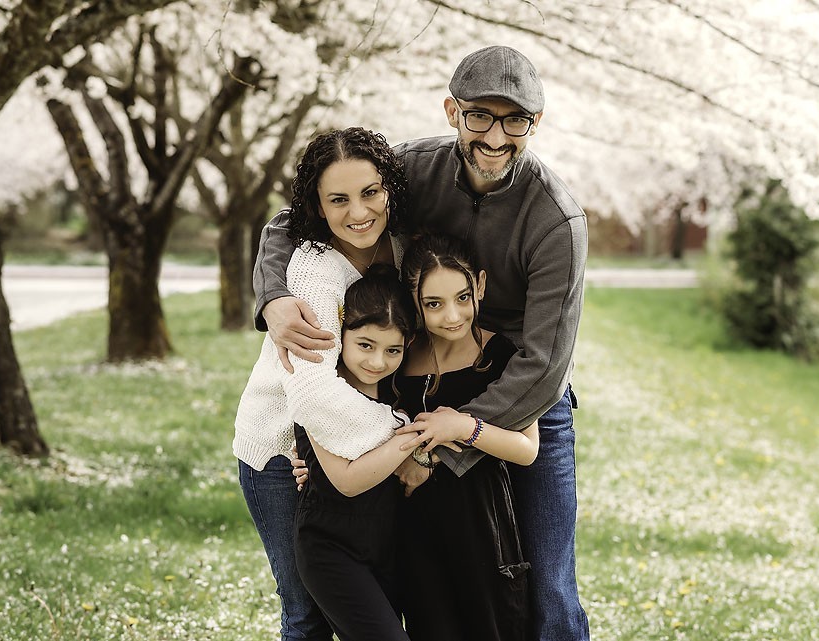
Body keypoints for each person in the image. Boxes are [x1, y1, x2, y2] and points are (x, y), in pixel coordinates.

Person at [254, 46, 591, 640]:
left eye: (516, 121)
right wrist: (273, 298)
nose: (495, 136)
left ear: (535, 125)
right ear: (451, 112)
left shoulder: (555, 219)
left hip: (520, 396)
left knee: (548, 586)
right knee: (427, 574)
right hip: (423, 380)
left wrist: (438, 449)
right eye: (480, 116)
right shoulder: (412, 167)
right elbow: (295, 218)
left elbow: (543, 362)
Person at [234, 127, 413, 641]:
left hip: (346, 449)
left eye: (370, 193)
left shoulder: (398, 255)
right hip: (282, 450)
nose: (358, 212)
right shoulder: (314, 270)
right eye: (339, 200)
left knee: (369, 605)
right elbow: (311, 394)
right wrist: (403, 434)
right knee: (306, 613)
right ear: (317, 206)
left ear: (390, 190)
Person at [390, 233, 538, 641]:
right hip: (417, 534)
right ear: (414, 301)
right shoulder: (400, 358)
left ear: (481, 287)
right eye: (433, 304)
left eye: (462, 297)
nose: (452, 315)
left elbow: (526, 449)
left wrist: (462, 427)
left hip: (483, 530)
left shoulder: (502, 356)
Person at [293, 265, 420, 641]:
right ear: (342, 333)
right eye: (365, 344)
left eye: (392, 349)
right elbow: (347, 481)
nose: (377, 362)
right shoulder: (321, 392)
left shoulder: (401, 393)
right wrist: (411, 439)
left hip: (388, 542)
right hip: (330, 543)